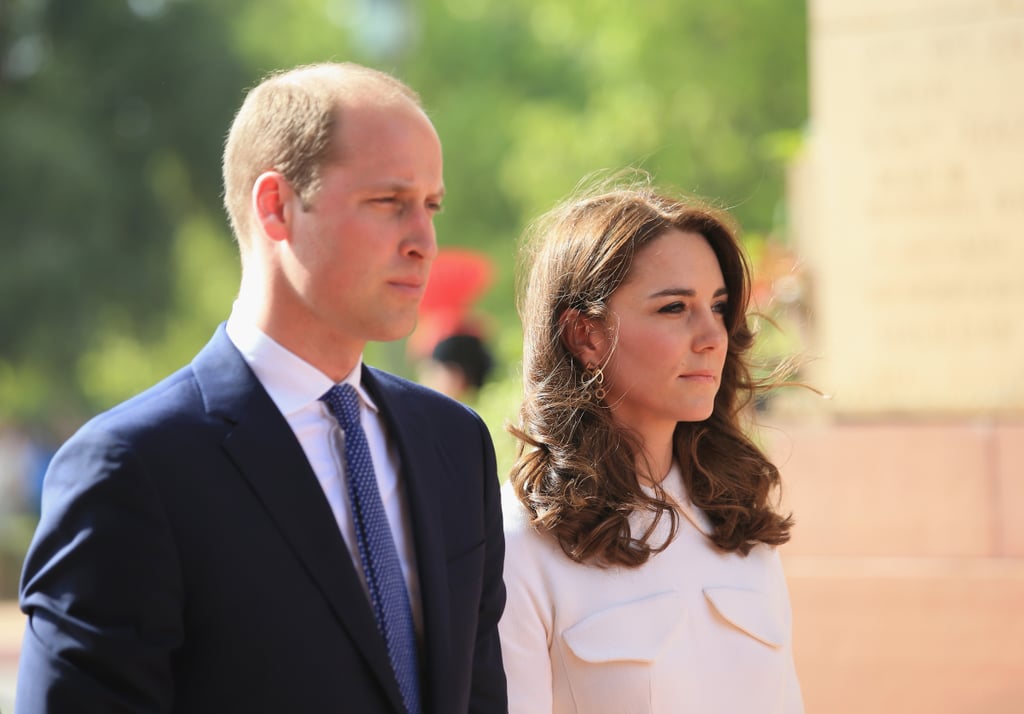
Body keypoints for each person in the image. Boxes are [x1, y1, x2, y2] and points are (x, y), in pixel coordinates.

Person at [16, 62, 507, 714]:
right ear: (276, 206)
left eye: (432, 206)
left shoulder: (454, 444)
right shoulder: (131, 469)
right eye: (389, 203)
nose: (424, 241)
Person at [499, 177, 803, 713]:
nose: (712, 336)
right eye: (673, 308)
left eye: (718, 305)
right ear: (584, 336)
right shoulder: (523, 545)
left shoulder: (740, 520)